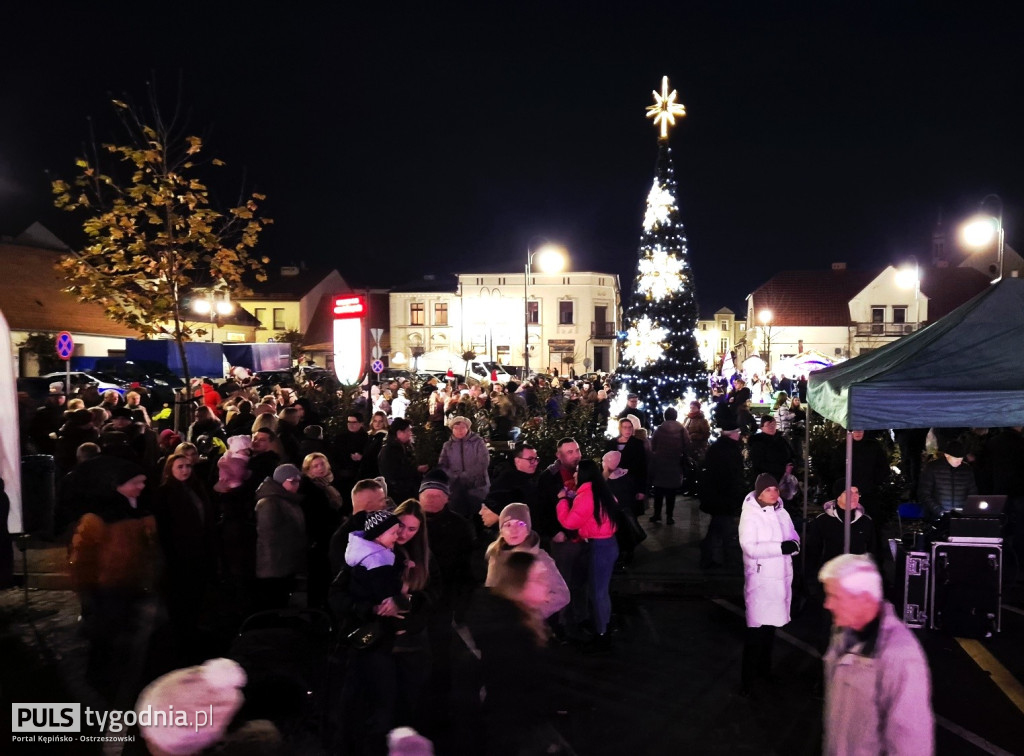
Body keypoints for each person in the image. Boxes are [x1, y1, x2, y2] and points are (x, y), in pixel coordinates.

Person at [819, 554, 934, 755]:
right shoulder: (842, 632)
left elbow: (911, 743)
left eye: (835, 596)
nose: (827, 605)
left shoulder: (901, 655)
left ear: (863, 599)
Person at [466, 550, 555, 756]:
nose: (547, 585)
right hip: (510, 730)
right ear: (519, 584)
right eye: (539, 579)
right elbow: (512, 696)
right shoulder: (511, 632)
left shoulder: (523, 618)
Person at [738, 473, 799, 695]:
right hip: (761, 580)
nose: (773, 493)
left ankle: (765, 671)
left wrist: (793, 545)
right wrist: (779, 548)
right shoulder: (751, 515)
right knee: (755, 632)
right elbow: (749, 547)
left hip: (780, 578)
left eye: (775, 489)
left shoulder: (782, 511)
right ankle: (747, 681)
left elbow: (793, 537)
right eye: (767, 490)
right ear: (759, 493)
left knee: (770, 630)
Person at [557, 459, 619, 650]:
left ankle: (601, 634)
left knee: (597, 592)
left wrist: (562, 501)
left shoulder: (586, 496)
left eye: (577, 472)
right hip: (609, 544)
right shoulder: (601, 491)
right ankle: (605, 625)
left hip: (599, 547)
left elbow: (569, 523)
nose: (574, 475)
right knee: (602, 591)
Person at [484, 503, 569, 619]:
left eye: (520, 524)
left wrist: (530, 616)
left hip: (526, 628)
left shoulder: (540, 558)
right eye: (508, 525)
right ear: (501, 531)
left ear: (528, 530)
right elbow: (491, 591)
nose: (514, 530)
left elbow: (562, 595)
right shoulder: (495, 554)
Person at [253, 463, 306, 610]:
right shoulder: (269, 503)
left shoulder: (286, 499)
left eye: (298, 481)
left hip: (284, 562)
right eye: (292, 481)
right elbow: (269, 539)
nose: (297, 485)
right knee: (274, 603)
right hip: (274, 566)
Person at [698, 417, 745, 568]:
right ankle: (721, 558)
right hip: (724, 496)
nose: (739, 434)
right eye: (737, 432)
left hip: (718, 496)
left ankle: (714, 557)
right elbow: (732, 475)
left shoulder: (719, 447)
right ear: (732, 433)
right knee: (723, 528)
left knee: (718, 527)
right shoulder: (729, 450)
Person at [438, 415, 491, 519]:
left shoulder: (478, 442)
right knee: (459, 516)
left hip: (477, 486)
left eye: (463, 427)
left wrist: (467, 475)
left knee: (478, 515)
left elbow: (483, 462)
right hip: (456, 487)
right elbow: (442, 465)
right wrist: (454, 476)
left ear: (468, 428)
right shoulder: (448, 445)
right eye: (456, 428)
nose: (459, 431)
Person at [918, 439, 977, 520]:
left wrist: (966, 511)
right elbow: (924, 494)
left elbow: (973, 493)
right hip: (937, 517)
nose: (959, 462)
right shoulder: (932, 468)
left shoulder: (966, 469)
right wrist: (940, 512)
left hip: (961, 516)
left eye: (961, 459)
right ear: (946, 455)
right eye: (956, 458)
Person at [650, 407, 688, 524]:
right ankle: (669, 517)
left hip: (660, 464)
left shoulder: (660, 429)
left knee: (658, 492)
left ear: (665, 416)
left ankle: (657, 515)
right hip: (675, 464)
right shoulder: (682, 429)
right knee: (671, 493)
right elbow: (687, 445)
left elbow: (653, 445)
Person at [379, 417, 429, 505]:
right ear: (399, 432)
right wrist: (416, 469)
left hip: (405, 490)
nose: (410, 434)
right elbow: (394, 472)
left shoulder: (403, 447)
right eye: (408, 431)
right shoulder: (390, 450)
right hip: (399, 493)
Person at [604, 417, 648, 514]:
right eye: (625, 427)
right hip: (614, 486)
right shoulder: (611, 444)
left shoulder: (637, 444)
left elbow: (642, 467)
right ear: (620, 428)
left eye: (629, 427)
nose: (627, 430)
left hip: (631, 486)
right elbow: (605, 464)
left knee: (631, 514)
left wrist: (642, 490)